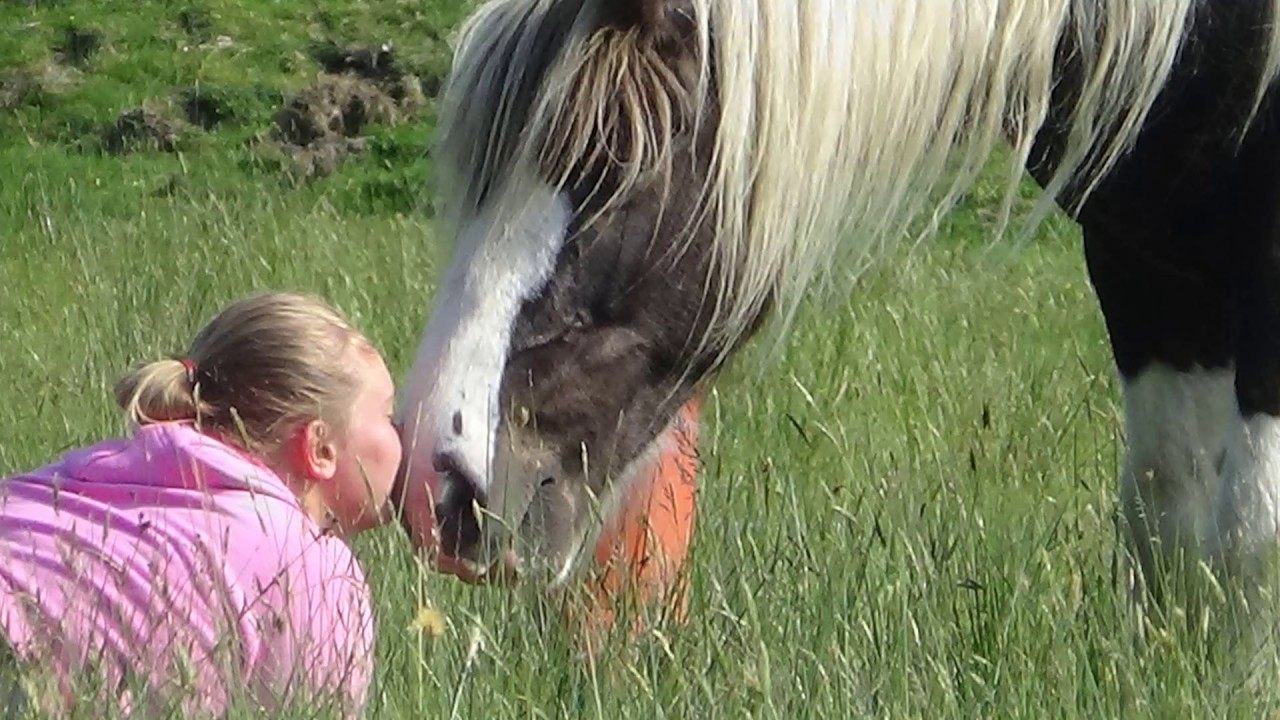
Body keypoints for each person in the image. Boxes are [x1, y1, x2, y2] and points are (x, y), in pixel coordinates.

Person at [0, 291, 401, 718]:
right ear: (320, 448)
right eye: (389, 417)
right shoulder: (317, 573)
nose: (404, 433)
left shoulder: (98, 469)